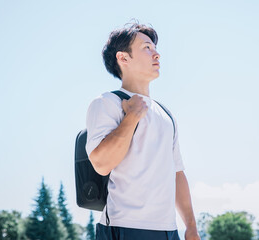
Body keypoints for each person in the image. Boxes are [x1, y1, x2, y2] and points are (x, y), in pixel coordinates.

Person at [85, 21, 200, 240]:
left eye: (155, 48)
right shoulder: (107, 103)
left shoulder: (166, 114)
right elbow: (101, 164)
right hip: (123, 226)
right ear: (123, 58)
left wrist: (191, 226)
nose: (156, 54)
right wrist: (132, 117)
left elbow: (177, 173)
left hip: (168, 230)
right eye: (146, 48)